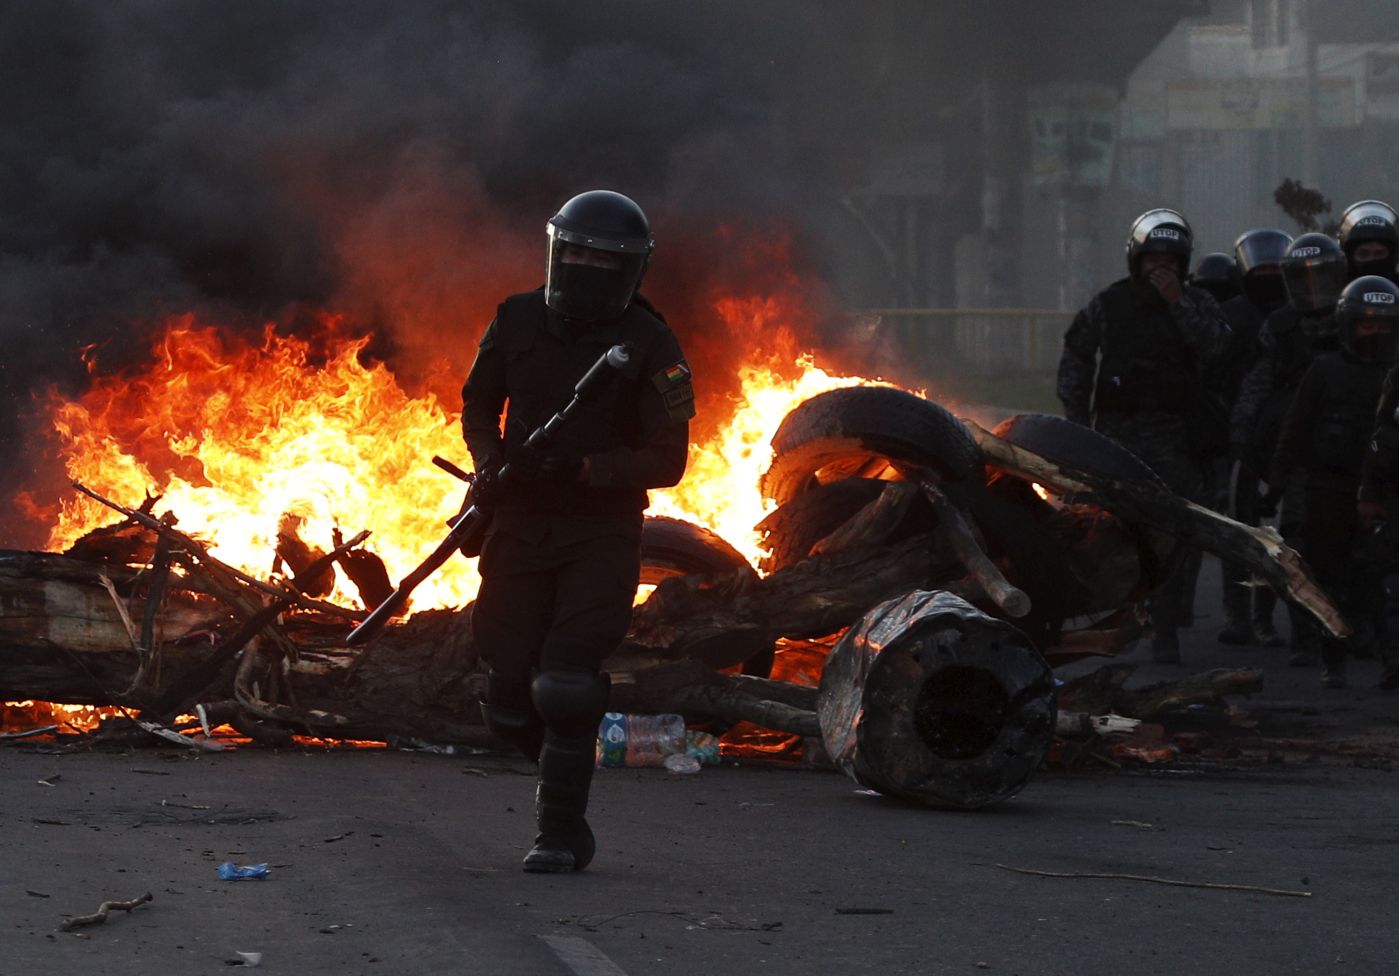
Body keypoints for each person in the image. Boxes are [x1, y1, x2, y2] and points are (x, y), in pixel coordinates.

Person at [460, 190, 694, 872]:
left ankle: (559, 834)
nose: (588, 270)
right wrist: (489, 464)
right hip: (519, 521)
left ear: (631, 269)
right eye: (579, 255)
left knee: (567, 681)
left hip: (600, 532)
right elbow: (478, 405)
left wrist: (587, 469)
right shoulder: (514, 318)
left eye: (605, 261)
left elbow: (668, 460)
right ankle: (561, 758)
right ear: (557, 254)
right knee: (507, 690)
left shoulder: (651, 343)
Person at [1057, 208, 1231, 663]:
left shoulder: (1198, 304)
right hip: (1120, 438)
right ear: (1136, 260)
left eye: (1170, 263)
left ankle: (1168, 622)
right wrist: (1078, 423)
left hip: (1178, 441)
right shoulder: (1109, 304)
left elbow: (1218, 349)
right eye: (1153, 261)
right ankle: (1120, 617)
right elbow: (1076, 355)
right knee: (1118, 530)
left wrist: (1178, 302)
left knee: (1178, 534)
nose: (1161, 270)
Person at [1271, 276, 1399, 688]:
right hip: (1330, 489)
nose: (1374, 333)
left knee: (1382, 577)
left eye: (1383, 325)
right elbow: (1295, 429)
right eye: (1366, 324)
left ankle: (1390, 660)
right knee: (1328, 577)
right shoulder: (1325, 370)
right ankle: (1332, 657)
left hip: (1385, 492)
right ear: (1348, 326)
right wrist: (1276, 484)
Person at [1231, 233, 1347, 665]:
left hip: (1355, 447)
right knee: (1298, 542)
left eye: (1322, 277)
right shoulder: (1280, 327)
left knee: (1356, 547)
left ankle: (1359, 634)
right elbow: (1257, 385)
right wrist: (1245, 439)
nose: (1314, 288)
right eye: (1304, 279)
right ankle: (1305, 636)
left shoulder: (1356, 316)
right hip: (1300, 452)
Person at [1212, 229, 1292, 646]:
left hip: (1286, 437)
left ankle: (1265, 616)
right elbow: (1210, 374)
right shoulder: (1227, 316)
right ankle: (1239, 614)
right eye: (1261, 267)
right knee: (1237, 531)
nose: (1267, 273)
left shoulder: (1297, 315)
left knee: (1281, 535)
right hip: (1237, 438)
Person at [1337, 199, 1399, 283]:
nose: (1372, 259)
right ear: (1349, 256)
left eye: (1379, 253)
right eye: (1363, 254)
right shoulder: (1334, 286)